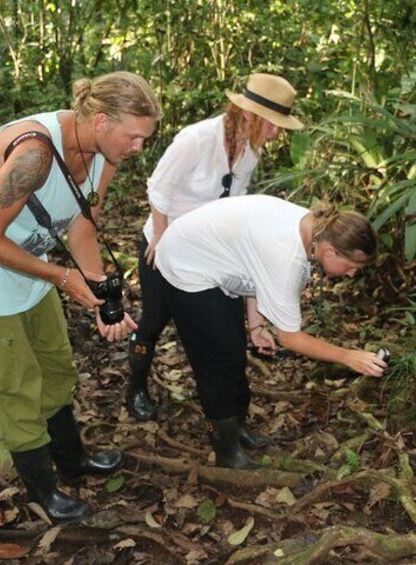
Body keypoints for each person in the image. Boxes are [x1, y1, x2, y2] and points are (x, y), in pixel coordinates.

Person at [0, 71, 160, 523]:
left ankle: (73, 459)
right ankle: (43, 490)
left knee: (55, 365)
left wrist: (102, 296)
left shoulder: (104, 155)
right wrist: (63, 278)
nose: (139, 147)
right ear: (100, 121)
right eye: (134, 136)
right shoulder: (34, 155)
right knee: (13, 386)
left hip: (37, 270)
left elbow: (81, 224)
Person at [153, 194, 387, 469]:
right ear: (330, 252)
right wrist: (348, 356)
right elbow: (289, 337)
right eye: (350, 267)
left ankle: (237, 428)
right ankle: (226, 452)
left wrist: (256, 325)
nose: (350, 275)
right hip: (187, 264)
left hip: (214, 257)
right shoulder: (287, 254)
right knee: (218, 361)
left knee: (234, 352)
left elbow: (255, 267)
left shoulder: (315, 228)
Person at [126, 73, 304, 425]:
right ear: (251, 115)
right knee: (153, 320)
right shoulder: (197, 138)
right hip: (166, 243)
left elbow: (236, 204)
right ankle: (136, 386)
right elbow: (159, 188)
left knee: (226, 328)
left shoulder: (250, 150)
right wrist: (161, 238)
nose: (275, 134)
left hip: (210, 252)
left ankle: (227, 409)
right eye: (272, 125)